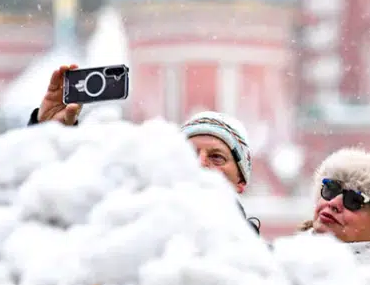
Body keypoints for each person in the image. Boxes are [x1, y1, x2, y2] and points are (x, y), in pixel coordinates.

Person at [29, 64, 261, 234]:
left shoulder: (264, 269)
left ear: (241, 181)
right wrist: (49, 133)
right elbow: (55, 211)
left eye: (217, 157)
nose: (200, 164)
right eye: (189, 154)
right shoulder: (138, 237)